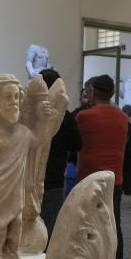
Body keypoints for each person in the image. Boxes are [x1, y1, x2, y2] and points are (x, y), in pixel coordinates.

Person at [76, 74, 129, 259]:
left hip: (89, 176)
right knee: (112, 224)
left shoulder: (84, 117)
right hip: (114, 177)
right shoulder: (123, 117)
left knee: (85, 224)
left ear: (93, 92)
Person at [38, 69, 81, 239]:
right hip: (54, 176)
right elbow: (77, 144)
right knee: (49, 223)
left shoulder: (30, 112)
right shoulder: (66, 117)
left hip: (29, 176)